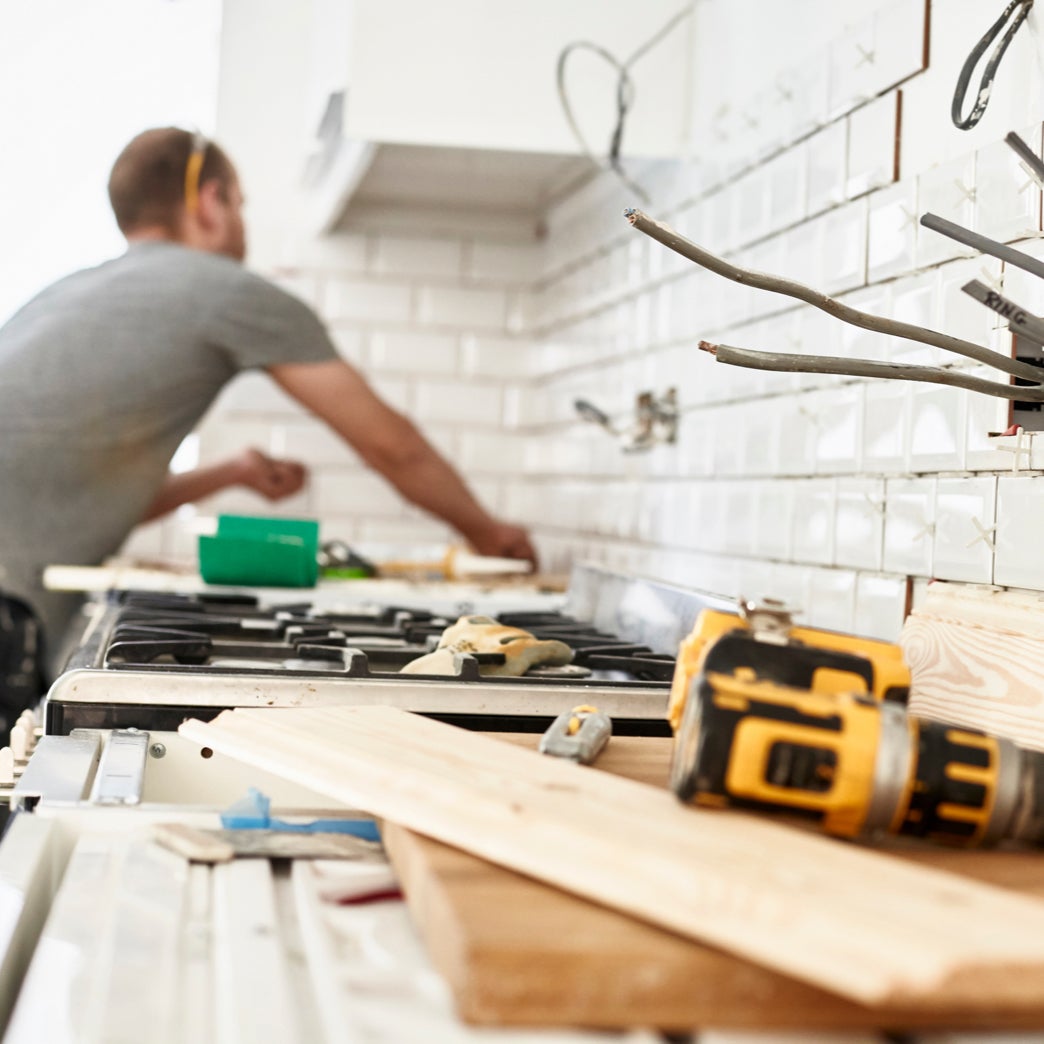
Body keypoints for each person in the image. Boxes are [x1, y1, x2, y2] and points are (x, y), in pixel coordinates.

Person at [0, 127, 537, 721]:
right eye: (240, 205)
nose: (243, 225)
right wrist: (490, 536)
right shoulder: (227, 291)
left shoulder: (60, 295)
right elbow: (392, 447)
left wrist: (231, 473)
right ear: (209, 201)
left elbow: (82, 499)